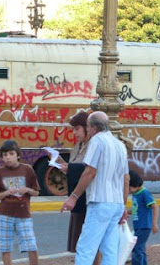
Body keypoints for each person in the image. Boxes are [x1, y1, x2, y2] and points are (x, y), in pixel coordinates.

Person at [60, 111, 130, 265]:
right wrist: (123, 205)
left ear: (94, 127)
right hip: (116, 202)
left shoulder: (97, 141)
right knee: (110, 250)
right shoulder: (120, 145)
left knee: (85, 248)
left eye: (88, 127)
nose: (88, 130)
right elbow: (126, 178)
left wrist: (74, 196)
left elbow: (90, 172)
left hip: (100, 201)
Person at [45, 111, 101, 265]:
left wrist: (71, 168)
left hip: (88, 198)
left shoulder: (94, 145)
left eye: (77, 129)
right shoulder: (78, 146)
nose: (74, 133)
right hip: (79, 198)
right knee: (80, 240)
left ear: (87, 128)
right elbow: (75, 168)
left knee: (91, 242)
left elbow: (89, 171)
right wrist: (59, 162)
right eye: (73, 129)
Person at [0, 140, 41, 265]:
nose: (8, 157)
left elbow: (36, 192)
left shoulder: (27, 170)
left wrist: (27, 190)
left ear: (18, 155)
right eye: (5, 155)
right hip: (4, 215)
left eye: (11, 154)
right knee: (5, 248)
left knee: (31, 246)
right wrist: (7, 193)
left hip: (24, 215)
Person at [128, 170, 160, 265]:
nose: (128, 190)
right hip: (138, 226)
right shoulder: (135, 193)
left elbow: (155, 207)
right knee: (140, 248)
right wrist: (127, 213)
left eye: (129, 187)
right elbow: (135, 209)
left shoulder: (144, 193)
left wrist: (154, 224)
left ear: (135, 184)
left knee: (137, 248)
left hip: (144, 226)